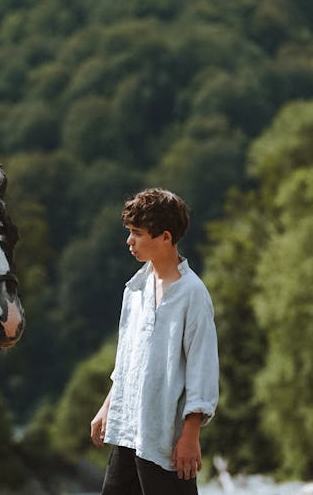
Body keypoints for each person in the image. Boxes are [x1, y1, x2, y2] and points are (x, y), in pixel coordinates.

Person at [90, 188, 219, 495]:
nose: (129, 241)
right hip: (127, 432)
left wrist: (190, 437)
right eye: (129, 232)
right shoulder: (135, 289)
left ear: (165, 237)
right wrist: (109, 406)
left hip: (167, 441)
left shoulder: (193, 294)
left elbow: (202, 369)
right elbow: (127, 362)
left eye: (137, 233)